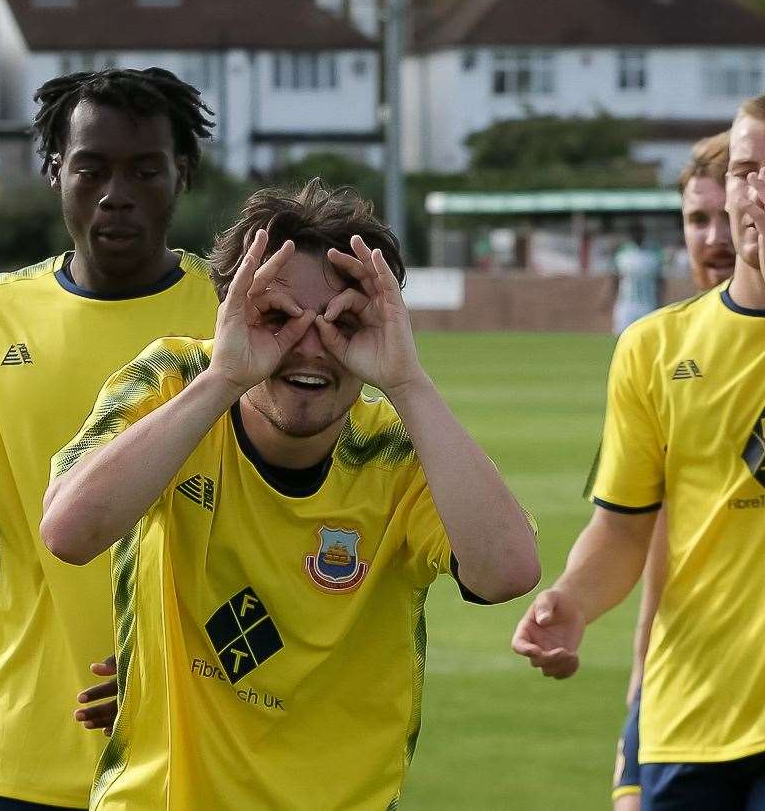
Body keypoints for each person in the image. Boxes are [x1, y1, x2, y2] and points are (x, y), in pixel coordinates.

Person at [40, 180, 541, 809]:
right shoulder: (176, 384)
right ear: (228, 315)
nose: (308, 346)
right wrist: (225, 375)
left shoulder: (400, 453)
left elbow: (507, 572)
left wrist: (408, 382)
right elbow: (68, 531)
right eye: (275, 317)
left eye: (344, 323)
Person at [0, 67, 218, 811]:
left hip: (202, 734)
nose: (116, 193)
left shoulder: (239, 313)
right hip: (24, 747)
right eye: (90, 167)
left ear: (182, 173)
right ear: (54, 171)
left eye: (144, 169)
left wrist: (176, 667)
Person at [514, 91, 765, 810]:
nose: (759, 193)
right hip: (680, 719)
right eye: (747, 170)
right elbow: (623, 527)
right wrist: (572, 600)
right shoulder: (653, 345)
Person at [611, 130, 736, 811]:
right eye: (695, 219)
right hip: (674, 698)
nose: (713, 239)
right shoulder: (656, 349)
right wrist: (637, 701)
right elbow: (646, 536)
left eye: (729, 216)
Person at [611, 223, 665, 335]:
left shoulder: (654, 253)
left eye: (639, 232)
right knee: (621, 337)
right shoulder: (622, 253)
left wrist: (660, 301)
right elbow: (615, 278)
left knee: (646, 337)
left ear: (643, 233)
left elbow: (660, 280)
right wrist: (609, 298)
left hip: (648, 304)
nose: (636, 235)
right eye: (633, 233)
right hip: (626, 304)